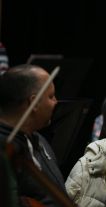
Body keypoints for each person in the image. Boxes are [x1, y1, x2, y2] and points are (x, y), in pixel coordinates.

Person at [0, 64, 67, 206]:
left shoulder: (38, 139)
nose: (56, 102)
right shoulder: (5, 150)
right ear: (34, 102)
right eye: (51, 96)